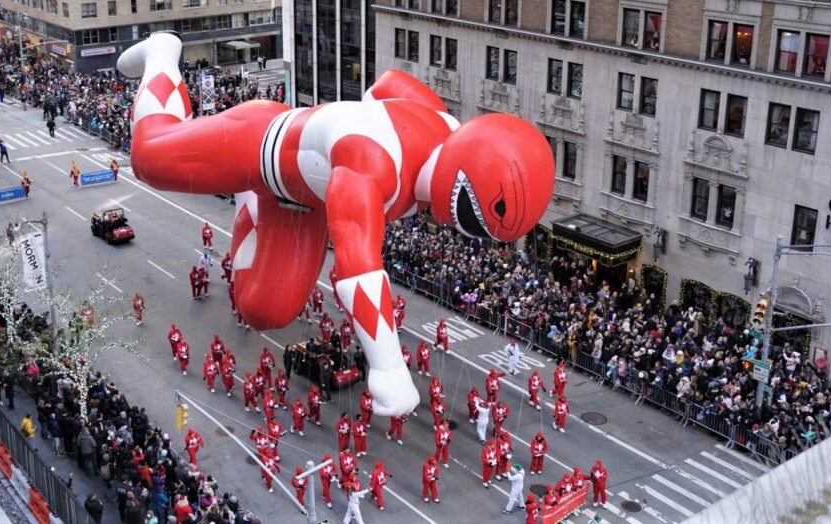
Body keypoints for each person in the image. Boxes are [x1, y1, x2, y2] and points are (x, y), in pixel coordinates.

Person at [118, 32, 554, 417]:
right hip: (258, 141)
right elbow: (356, 267)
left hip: (301, 201)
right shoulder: (372, 161)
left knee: (263, 311)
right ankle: (162, 54)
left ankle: (251, 202)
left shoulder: (443, 123)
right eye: (470, 220)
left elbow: (387, 85)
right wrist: (386, 364)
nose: (464, 232)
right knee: (149, 157)